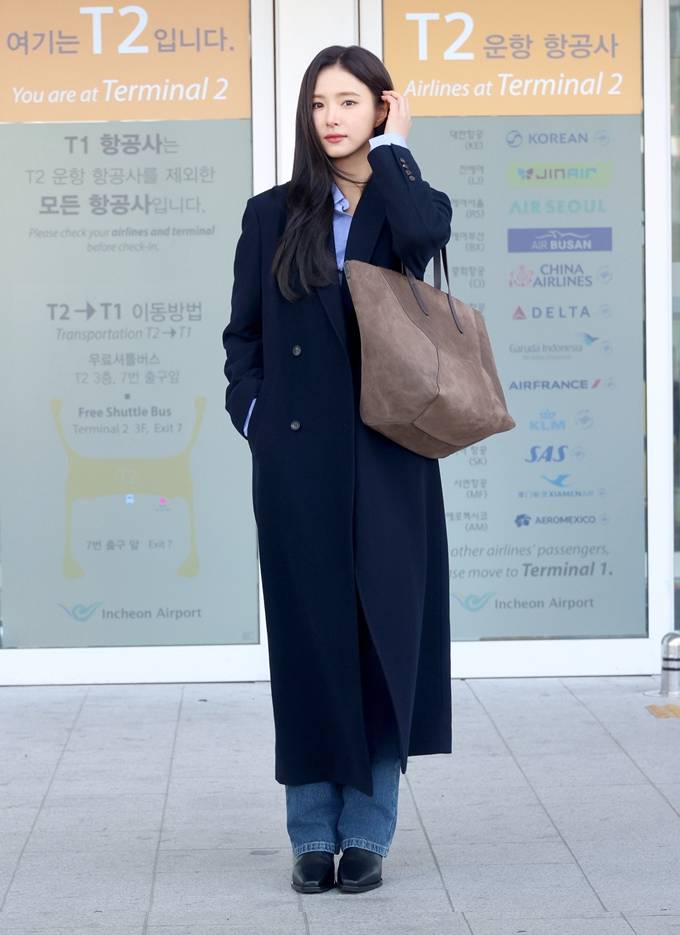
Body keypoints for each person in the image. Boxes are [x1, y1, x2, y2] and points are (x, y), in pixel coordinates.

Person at [222, 44, 453, 894]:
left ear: (382, 109)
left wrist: (394, 153)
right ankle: (311, 830)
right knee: (311, 644)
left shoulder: (407, 200)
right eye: (319, 102)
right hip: (298, 462)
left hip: (391, 457)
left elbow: (425, 237)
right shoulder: (271, 213)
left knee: (383, 642)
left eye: (350, 101)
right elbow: (242, 336)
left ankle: (368, 829)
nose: (330, 117)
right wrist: (255, 417)